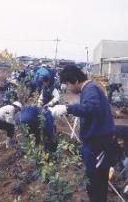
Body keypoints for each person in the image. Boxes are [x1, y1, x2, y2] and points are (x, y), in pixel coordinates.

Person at [49, 65, 117, 202]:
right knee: (93, 182)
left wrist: (67, 108)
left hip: (98, 145)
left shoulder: (90, 89)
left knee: (97, 183)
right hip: (95, 144)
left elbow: (91, 108)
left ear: (74, 80)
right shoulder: (89, 89)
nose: (67, 88)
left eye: (67, 84)